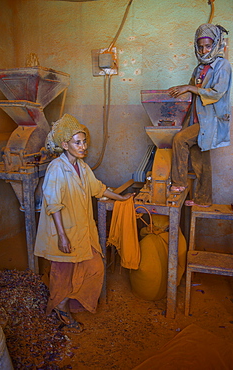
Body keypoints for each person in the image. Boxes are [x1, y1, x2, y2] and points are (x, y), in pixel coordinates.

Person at [34, 113, 134, 332]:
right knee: (63, 272)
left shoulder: (83, 167)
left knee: (94, 266)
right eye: (77, 142)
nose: (83, 146)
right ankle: (61, 308)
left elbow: (99, 189)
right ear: (65, 144)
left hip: (81, 230)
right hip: (64, 231)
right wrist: (62, 236)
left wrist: (122, 198)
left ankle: (70, 303)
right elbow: (53, 205)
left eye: (84, 141)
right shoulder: (56, 169)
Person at [168, 23, 232, 207]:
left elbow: (216, 93)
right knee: (200, 161)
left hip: (210, 122)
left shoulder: (223, 66)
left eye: (208, 45)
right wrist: (172, 102)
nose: (204, 50)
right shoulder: (199, 69)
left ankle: (179, 183)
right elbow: (190, 92)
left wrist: (189, 87)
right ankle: (204, 200)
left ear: (217, 44)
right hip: (197, 120)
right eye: (200, 46)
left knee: (180, 140)